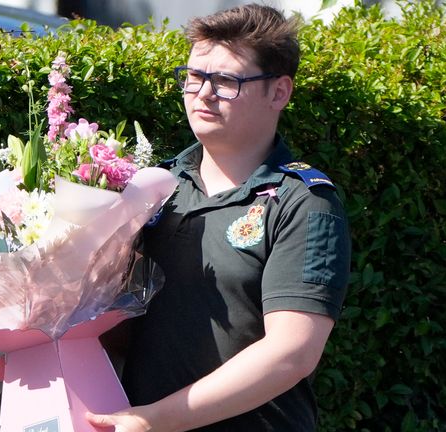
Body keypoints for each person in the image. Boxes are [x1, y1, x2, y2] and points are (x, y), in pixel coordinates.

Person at [87, 3, 351, 431]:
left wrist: (154, 420)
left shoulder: (303, 203)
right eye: (194, 77)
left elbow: (292, 352)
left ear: (279, 92)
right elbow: (113, 323)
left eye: (227, 80)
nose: (204, 93)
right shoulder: (152, 188)